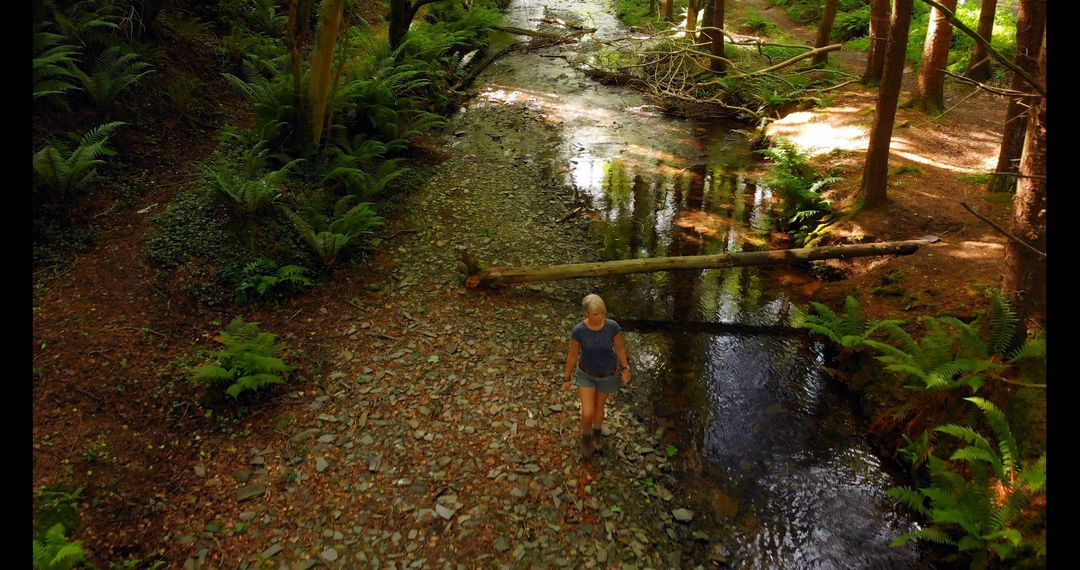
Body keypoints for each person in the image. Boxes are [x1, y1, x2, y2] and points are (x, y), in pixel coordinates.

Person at [562, 293, 631, 459]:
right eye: (595, 314)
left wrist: (626, 368)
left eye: (602, 313)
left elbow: (620, 349)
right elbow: (572, 355)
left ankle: (597, 431)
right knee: (587, 412)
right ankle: (586, 438)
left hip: (608, 374)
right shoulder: (579, 331)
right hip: (586, 374)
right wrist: (566, 377)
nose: (600, 317)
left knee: (600, 406)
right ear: (586, 313)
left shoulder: (612, 327)